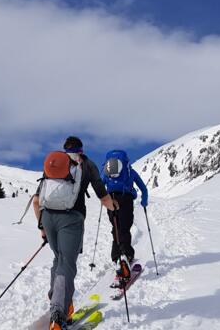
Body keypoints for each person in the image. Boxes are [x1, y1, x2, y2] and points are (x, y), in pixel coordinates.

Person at [33, 136, 117, 330]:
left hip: (48, 217)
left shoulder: (55, 162)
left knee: (59, 259)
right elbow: (103, 197)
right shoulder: (86, 164)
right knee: (67, 264)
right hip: (71, 219)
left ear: (65, 149)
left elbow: (37, 200)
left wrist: (42, 227)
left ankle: (59, 301)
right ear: (81, 149)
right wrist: (114, 208)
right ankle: (58, 314)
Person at [101, 149, 148, 284]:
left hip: (110, 200)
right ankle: (126, 256)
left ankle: (116, 257)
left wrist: (104, 198)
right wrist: (144, 201)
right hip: (126, 199)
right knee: (125, 228)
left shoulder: (106, 171)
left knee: (115, 227)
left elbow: (100, 185)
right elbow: (143, 188)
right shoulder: (130, 172)